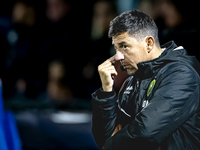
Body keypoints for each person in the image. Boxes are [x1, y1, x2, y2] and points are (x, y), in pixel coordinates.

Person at [91, 10, 200, 150]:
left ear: (149, 43)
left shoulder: (182, 75)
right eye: (116, 48)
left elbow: (143, 133)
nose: (118, 57)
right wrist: (106, 91)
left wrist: (109, 145)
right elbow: (104, 139)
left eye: (124, 46)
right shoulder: (131, 82)